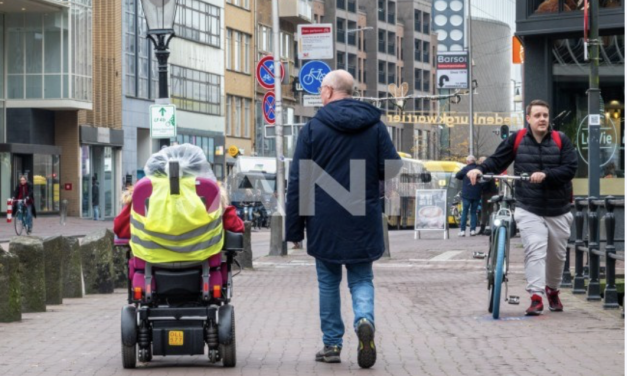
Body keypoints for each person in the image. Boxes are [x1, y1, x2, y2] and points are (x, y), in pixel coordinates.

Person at [285, 69, 402, 368]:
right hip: (362, 214)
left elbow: (299, 180)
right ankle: (364, 319)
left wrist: (295, 229)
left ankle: (332, 345)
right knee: (361, 277)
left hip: (323, 218)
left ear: (327, 91)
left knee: (328, 282)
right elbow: (391, 167)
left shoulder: (312, 129)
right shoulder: (375, 125)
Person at [466, 99, 578, 316]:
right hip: (529, 206)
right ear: (528, 119)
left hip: (559, 208)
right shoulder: (517, 139)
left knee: (557, 256)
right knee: (535, 249)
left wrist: (546, 175)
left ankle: (552, 290)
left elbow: (570, 168)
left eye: (545, 115)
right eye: (537, 115)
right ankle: (536, 297)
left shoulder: (560, 139)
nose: (542, 119)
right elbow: (497, 161)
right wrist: (479, 169)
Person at [455, 155, 482, 236]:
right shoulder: (478, 169)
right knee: (474, 212)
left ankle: (463, 230)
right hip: (476, 193)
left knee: (465, 212)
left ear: (468, 162)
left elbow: (457, 175)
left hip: (466, 194)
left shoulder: (465, 169)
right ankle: (472, 230)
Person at [478, 156, 498, 236]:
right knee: (491, 210)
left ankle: (484, 228)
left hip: (486, 193)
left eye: (480, 161)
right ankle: (490, 226)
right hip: (492, 192)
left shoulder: (484, 170)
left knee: (484, 211)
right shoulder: (491, 169)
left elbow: (484, 182)